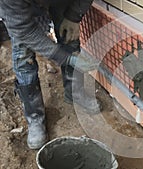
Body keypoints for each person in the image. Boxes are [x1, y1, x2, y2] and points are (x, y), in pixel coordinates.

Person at [0, 0, 99, 149]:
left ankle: (74, 93)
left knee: (69, 36)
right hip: (23, 11)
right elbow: (24, 31)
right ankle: (35, 117)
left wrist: (73, 16)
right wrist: (67, 59)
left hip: (61, 2)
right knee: (23, 56)